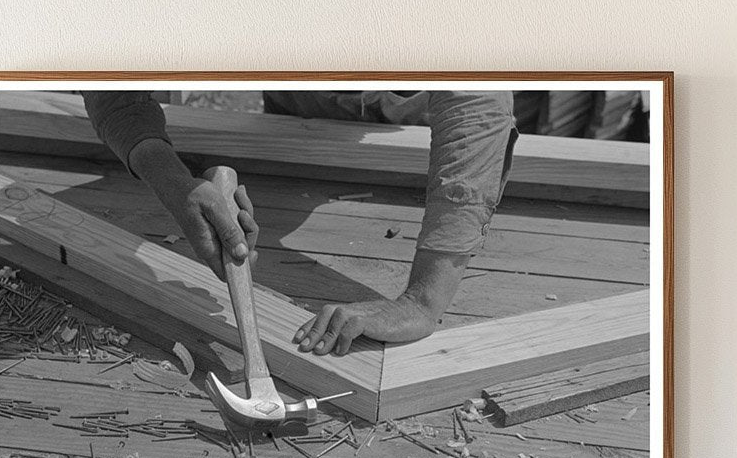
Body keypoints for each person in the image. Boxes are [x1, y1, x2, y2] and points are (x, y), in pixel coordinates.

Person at [82, 89, 516, 357]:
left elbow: (477, 101)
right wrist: (168, 176)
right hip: (298, 105)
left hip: (407, 103)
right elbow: (111, 74)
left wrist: (423, 300)